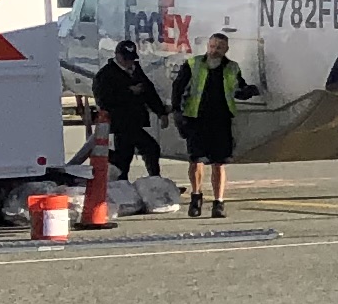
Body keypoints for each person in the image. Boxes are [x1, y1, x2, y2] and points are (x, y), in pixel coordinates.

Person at [172, 30, 256, 216]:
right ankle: (196, 198)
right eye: (212, 46)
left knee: (219, 163)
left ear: (226, 49)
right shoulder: (193, 64)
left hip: (221, 119)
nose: (214, 50)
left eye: (219, 47)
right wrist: (177, 112)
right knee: (196, 161)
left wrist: (248, 91)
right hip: (196, 118)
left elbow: (238, 88)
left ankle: (219, 202)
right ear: (207, 46)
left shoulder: (232, 67)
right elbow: (178, 88)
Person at [89, 39, 170, 205]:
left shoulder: (135, 70)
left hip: (135, 120)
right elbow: (103, 100)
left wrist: (160, 112)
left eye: (132, 59)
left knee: (144, 151)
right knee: (132, 155)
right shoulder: (106, 75)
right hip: (120, 123)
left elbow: (149, 91)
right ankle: (122, 189)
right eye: (126, 59)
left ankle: (153, 182)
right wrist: (128, 91)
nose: (129, 62)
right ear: (118, 56)